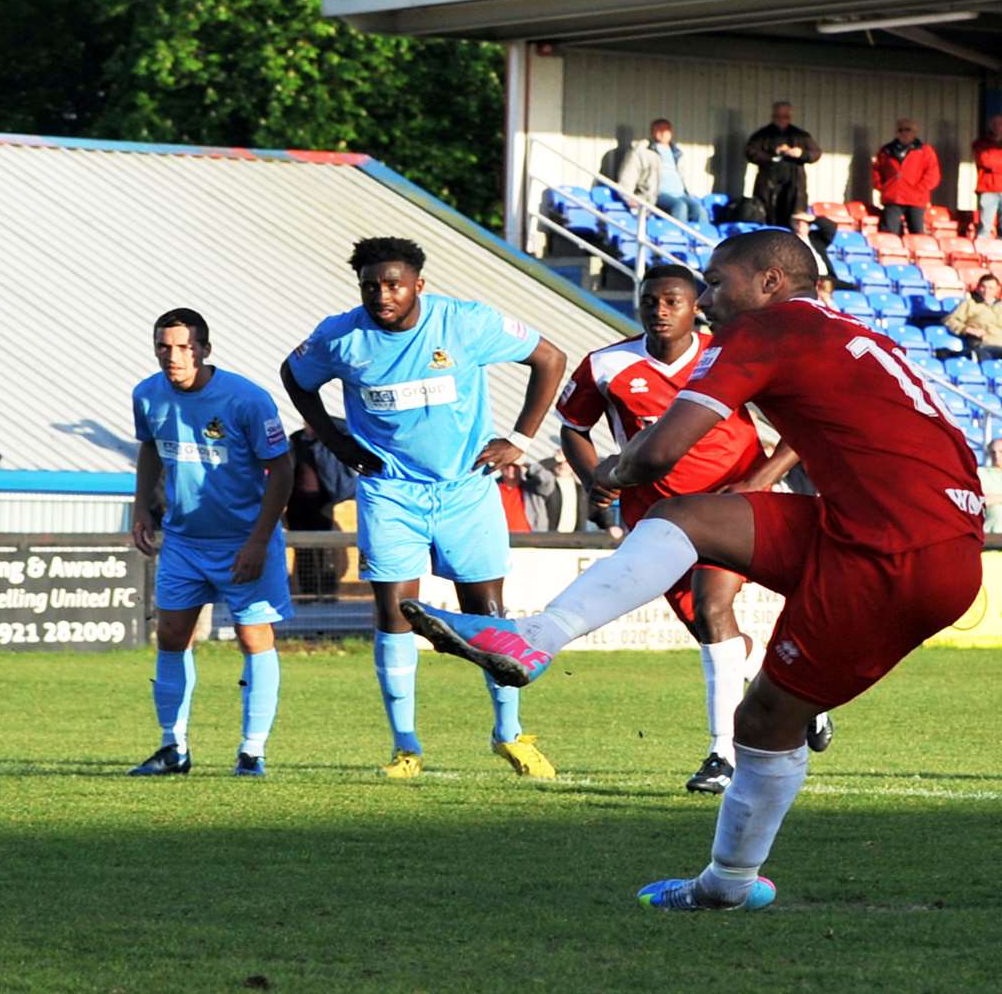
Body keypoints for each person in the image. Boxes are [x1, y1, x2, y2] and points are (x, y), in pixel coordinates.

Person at [404, 228, 982, 912]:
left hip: (891, 552)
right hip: (904, 530)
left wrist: (611, 475)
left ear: (769, 283)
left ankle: (727, 886)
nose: (707, 299)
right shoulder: (844, 328)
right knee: (688, 519)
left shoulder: (765, 332)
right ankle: (537, 635)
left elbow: (655, 456)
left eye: (717, 282)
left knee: (765, 720)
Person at [280, 236, 568, 780]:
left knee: (487, 613)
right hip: (390, 491)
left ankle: (509, 735)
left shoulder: (465, 323)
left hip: (466, 488)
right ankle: (406, 747)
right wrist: (336, 442)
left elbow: (550, 358)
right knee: (395, 613)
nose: (381, 296)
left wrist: (521, 441)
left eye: (393, 284)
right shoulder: (341, 337)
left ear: (419, 284)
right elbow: (294, 377)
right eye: (370, 286)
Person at [555, 265, 814, 795]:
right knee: (709, 628)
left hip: (729, 508)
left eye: (673, 300)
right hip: (657, 519)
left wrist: (757, 483)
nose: (660, 309)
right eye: (650, 300)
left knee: (714, 605)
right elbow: (573, 427)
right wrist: (592, 478)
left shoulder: (732, 354)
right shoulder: (606, 364)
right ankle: (799, 699)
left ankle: (722, 753)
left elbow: (800, 427)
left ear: (696, 304)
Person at [130, 308, 292, 778]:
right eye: (164, 346)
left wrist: (259, 541)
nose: (173, 356)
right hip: (183, 541)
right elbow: (149, 448)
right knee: (171, 637)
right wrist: (142, 506)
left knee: (253, 638)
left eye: (184, 347)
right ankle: (172, 749)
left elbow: (281, 468)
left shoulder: (247, 400)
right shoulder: (147, 395)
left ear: (204, 349)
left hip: (244, 540)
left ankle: (251, 752)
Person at [285, 420, 357, 600]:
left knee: (327, 549)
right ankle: (307, 595)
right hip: (297, 504)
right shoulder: (295, 440)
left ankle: (328, 592)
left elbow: (346, 429)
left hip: (323, 503)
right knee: (302, 551)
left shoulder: (328, 443)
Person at [744, 102, 820, 229]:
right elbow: (750, 152)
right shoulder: (762, 135)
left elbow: (815, 153)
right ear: (773, 117)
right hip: (768, 183)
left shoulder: (800, 135)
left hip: (794, 184)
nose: (782, 120)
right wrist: (774, 153)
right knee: (767, 217)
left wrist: (801, 153)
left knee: (793, 218)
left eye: (785, 117)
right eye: (778, 116)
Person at [870, 119, 940, 235]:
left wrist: (919, 189)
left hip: (916, 199)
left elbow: (933, 175)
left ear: (915, 132)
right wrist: (883, 187)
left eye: (907, 130)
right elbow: (876, 171)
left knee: (917, 235)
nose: (904, 133)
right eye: (900, 130)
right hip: (893, 198)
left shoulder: (925, 151)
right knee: (889, 234)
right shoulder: (886, 151)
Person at [646, 119, 705, 224]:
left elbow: (683, 175)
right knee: (680, 206)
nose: (662, 133)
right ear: (652, 132)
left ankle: (703, 238)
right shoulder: (645, 150)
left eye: (665, 130)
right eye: (658, 129)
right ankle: (680, 238)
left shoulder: (677, 153)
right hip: (658, 194)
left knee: (699, 209)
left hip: (680, 194)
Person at [520, 451, 587, 534]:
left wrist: (607, 523)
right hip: (549, 538)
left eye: (566, 462)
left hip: (575, 539)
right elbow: (534, 470)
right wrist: (555, 459)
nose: (562, 465)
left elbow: (596, 508)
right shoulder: (546, 482)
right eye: (559, 462)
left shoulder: (580, 487)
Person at [944, 273, 1002, 361]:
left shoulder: (1000, 306)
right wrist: (967, 329)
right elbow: (949, 320)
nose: (986, 291)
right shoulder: (970, 304)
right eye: (983, 287)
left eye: (991, 288)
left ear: (997, 289)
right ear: (978, 287)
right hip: (984, 345)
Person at [975, 114, 1002, 240]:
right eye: (995, 124)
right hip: (988, 189)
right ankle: (981, 254)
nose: (998, 127)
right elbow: (985, 161)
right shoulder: (981, 143)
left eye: (1000, 124)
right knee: (985, 228)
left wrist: (995, 165)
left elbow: (992, 162)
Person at [979, 438, 1002, 535]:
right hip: (989, 538)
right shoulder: (980, 473)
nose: (996, 456)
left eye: (1001, 452)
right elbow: (978, 501)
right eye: (993, 452)